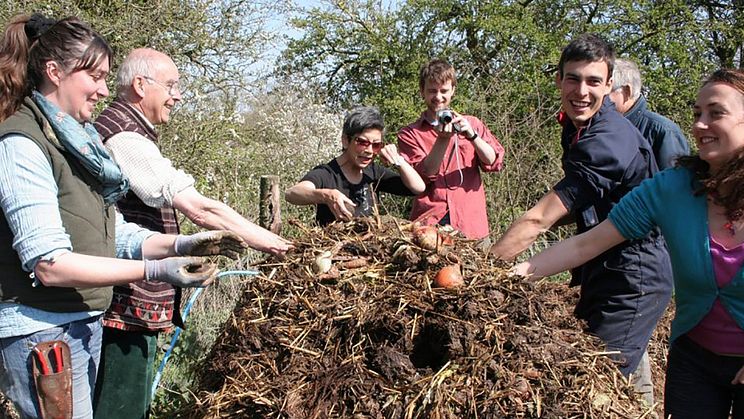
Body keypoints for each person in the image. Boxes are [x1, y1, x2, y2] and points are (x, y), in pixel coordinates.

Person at [0, 14, 245, 419]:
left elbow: (107, 232)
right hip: (40, 330)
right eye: (93, 76)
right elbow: (50, 265)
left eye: (105, 77)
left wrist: (180, 244)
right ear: (54, 71)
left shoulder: (75, 142)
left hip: (79, 321)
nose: (102, 89)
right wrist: (155, 270)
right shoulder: (22, 144)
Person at [513, 68, 744, 419]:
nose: (700, 125)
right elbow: (586, 245)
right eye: (697, 114)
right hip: (694, 361)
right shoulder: (672, 188)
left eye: (717, 113)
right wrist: (509, 275)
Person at [92, 48, 293, 418]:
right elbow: (198, 207)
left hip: (133, 299)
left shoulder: (129, 131)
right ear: (140, 85)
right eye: (171, 85)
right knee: (121, 407)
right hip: (125, 305)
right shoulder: (124, 138)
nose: (178, 95)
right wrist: (266, 240)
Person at [489, 34, 673, 405]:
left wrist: (486, 269)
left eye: (593, 81)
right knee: (611, 374)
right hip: (599, 263)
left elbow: (540, 219)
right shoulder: (578, 126)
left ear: (609, 86)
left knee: (595, 387)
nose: (582, 91)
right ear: (558, 80)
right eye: (573, 79)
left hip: (631, 276)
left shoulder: (607, 141)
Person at [397, 59, 504, 239]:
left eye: (444, 91)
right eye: (432, 91)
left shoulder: (473, 123)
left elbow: (493, 161)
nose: (438, 97)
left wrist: (472, 135)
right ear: (422, 92)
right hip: (430, 225)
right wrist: (443, 139)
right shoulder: (409, 134)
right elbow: (423, 177)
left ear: (453, 90)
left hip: (471, 225)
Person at [285, 106, 425, 225]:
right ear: (346, 140)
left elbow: (417, 188)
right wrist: (327, 195)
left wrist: (398, 160)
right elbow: (292, 194)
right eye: (362, 142)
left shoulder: (373, 173)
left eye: (376, 145)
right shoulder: (327, 174)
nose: (369, 151)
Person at [608, 58, 690, 169]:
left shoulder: (663, 132)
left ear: (627, 91)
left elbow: (675, 182)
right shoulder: (600, 126)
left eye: (606, 91)